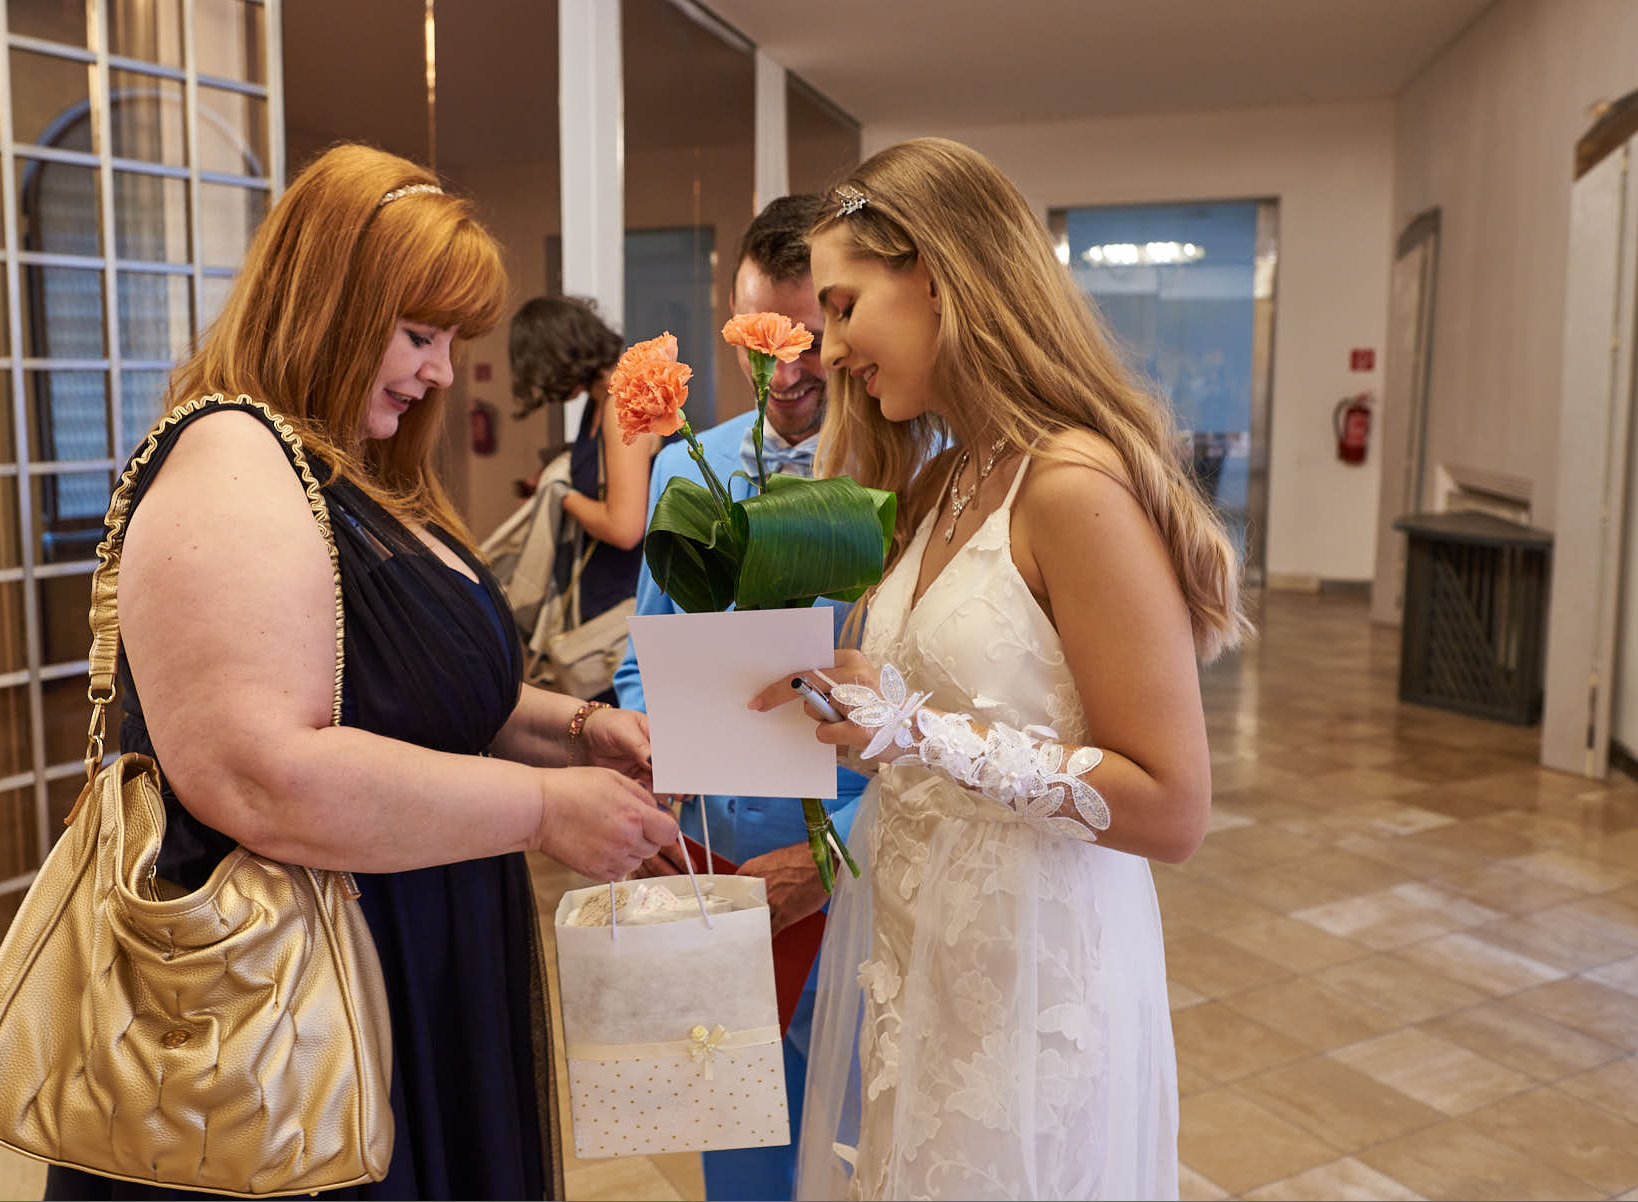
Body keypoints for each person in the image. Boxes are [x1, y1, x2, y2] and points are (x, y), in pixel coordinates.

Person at [45, 144, 677, 1201]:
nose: (440, 370)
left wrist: (572, 728)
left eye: (451, 340)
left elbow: (404, 693)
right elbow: (260, 774)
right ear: (325, 304)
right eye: (419, 334)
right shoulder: (230, 458)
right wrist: (541, 807)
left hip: (403, 953)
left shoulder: (340, 466)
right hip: (292, 996)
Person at [754, 138, 1247, 1200]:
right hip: (925, 975)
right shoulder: (942, 478)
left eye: (844, 305)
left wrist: (912, 728)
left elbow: (1173, 805)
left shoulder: (1073, 482)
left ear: (933, 271)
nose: (830, 348)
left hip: (1035, 988)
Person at [612, 194, 871, 1202]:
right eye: (765, 332)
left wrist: (833, 852)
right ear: (733, 311)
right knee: (744, 1153)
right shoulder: (692, 462)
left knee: (869, 1136)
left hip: (855, 864)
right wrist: (656, 754)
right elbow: (649, 656)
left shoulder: (915, 471)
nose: (789, 367)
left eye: (810, 336)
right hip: (725, 868)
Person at [509, 296, 661, 693]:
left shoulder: (619, 406)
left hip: (625, 602)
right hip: (604, 599)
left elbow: (625, 526)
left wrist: (559, 495)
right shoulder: (597, 404)